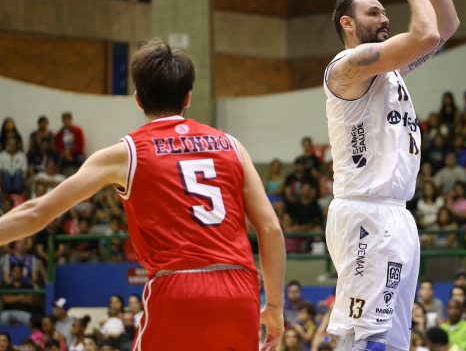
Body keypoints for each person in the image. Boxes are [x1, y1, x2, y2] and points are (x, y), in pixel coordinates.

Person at [0, 39, 286, 350]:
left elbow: (37, 212)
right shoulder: (232, 146)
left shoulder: (126, 153)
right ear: (188, 97)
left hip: (177, 285)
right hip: (239, 288)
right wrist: (274, 306)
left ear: (137, 99)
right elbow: (270, 229)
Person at [323, 0, 459, 351]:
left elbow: (446, 26)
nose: (384, 18)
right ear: (347, 23)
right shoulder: (346, 68)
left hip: (396, 212)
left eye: (384, 11)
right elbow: (426, 33)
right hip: (364, 212)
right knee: (368, 338)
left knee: (391, 341)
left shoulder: (391, 69)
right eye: (373, 12)